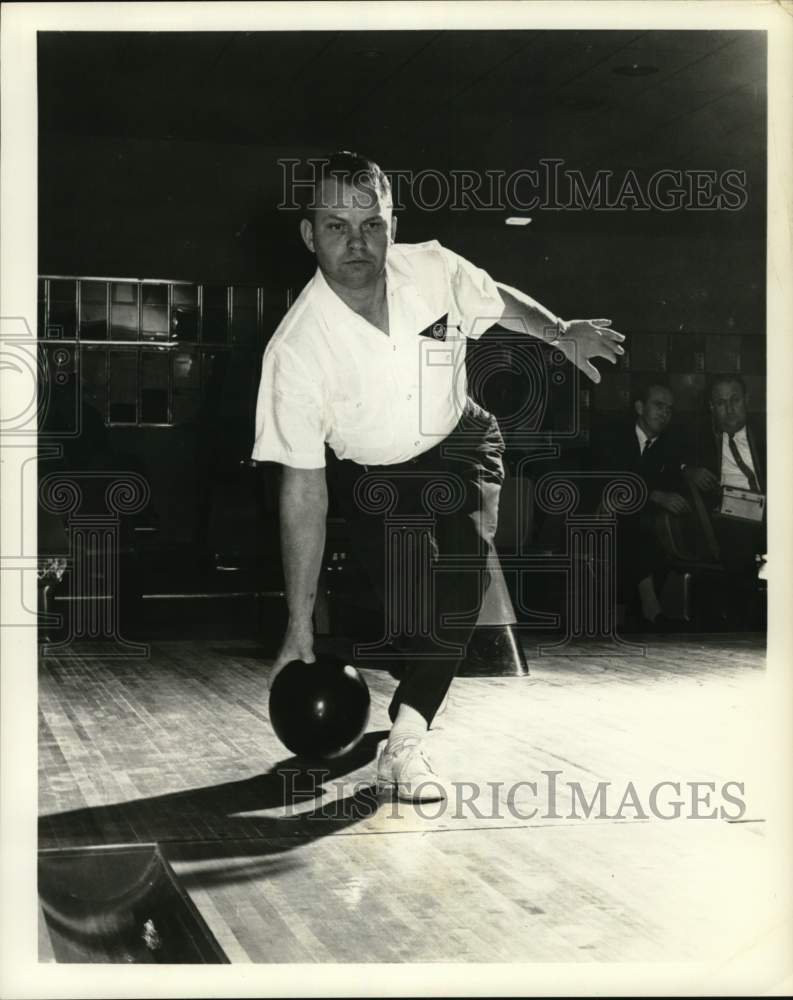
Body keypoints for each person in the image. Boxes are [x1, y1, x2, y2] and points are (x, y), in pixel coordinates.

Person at [251, 151, 625, 802]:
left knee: (457, 591)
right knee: (413, 613)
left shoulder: (431, 268)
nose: (357, 241)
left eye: (371, 223)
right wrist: (298, 626)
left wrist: (557, 330)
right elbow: (304, 494)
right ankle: (410, 699)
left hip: (460, 440)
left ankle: (406, 747)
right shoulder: (296, 352)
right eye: (336, 226)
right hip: (377, 474)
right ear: (309, 235)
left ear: (392, 225)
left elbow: (495, 300)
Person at [592, 382, 689, 629]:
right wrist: (654, 494)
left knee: (634, 523)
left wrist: (651, 497)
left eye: (669, 408)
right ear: (639, 407)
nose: (665, 412)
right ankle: (649, 604)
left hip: (641, 522)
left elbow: (672, 485)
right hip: (601, 512)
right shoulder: (613, 435)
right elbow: (610, 479)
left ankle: (621, 609)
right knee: (623, 516)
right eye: (658, 405)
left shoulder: (671, 446)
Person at [681, 374, 766, 623]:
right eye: (721, 402)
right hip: (732, 517)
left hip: (777, 510)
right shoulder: (699, 435)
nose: (729, 409)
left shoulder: (770, 431)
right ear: (711, 407)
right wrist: (687, 469)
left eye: (735, 400)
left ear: (747, 400)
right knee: (736, 537)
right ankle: (747, 622)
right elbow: (667, 458)